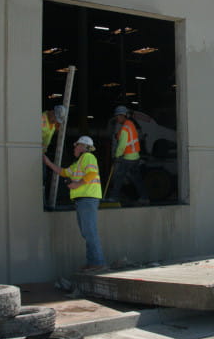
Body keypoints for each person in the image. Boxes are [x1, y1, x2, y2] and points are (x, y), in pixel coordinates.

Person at [44, 136, 106, 272]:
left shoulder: (88, 156)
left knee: (89, 231)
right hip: (83, 200)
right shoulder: (79, 162)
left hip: (87, 199)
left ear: (82, 146)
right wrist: (48, 163)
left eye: (76, 145)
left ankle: (97, 263)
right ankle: (93, 262)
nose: (74, 148)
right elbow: (64, 172)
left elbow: (92, 173)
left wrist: (77, 184)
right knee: (87, 232)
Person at [108, 105, 149, 205]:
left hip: (128, 158)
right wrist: (118, 135)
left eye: (118, 116)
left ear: (122, 116)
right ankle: (144, 198)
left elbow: (122, 145)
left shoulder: (125, 127)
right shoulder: (130, 124)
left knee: (119, 177)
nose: (117, 118)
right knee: (136, 179)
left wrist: (116, 156)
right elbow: (125, 136)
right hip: (135, 157)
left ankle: (114, 198)